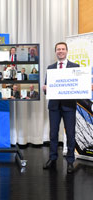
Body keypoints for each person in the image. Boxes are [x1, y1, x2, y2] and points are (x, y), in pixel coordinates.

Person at [42, 42, 79, 174]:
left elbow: (78, 86)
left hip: (69, 106)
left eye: (63, 49)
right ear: (55, 52)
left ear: (67, 51)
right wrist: (45, 88)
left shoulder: (75, 67)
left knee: (70, 134)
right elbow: (47, 87)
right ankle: (52, 159)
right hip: (54, 106)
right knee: (53, 134)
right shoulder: (50, 68)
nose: (61, 51)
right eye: (58, 49)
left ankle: (70, 161)